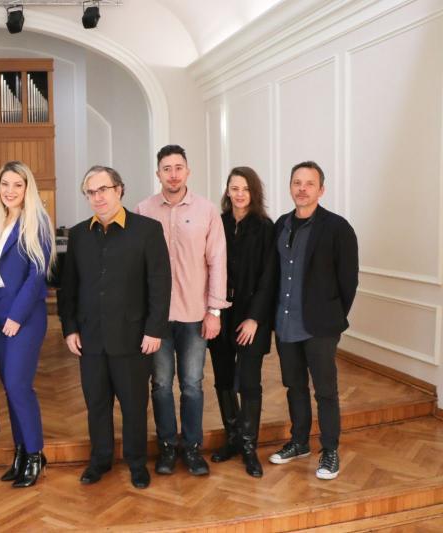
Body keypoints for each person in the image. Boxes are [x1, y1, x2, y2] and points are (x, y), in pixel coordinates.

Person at [58, 165, 170, 489]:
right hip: (90, 338)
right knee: (96, 404)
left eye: (103, 189)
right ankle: (100, 459)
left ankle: (136, 462)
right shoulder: (79, 235)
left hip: (133, 338)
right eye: (91, 192)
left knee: (134, 406)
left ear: (119, 189)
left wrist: (154, 329)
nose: (98, 197)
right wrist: (69, 328)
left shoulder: (147, 230)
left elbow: (160, 284)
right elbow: (69, 287)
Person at [136, 144, 229, 476]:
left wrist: (214, 311)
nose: (173, 174)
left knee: (192, 384)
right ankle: (166, 447)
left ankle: (191, 448)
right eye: (166, 169)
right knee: (161, 385)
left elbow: (217, 262)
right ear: (158, 173)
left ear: (187, 171)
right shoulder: (143, 210)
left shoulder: (207, 211)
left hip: (194, 316)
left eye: (178, 168)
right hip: (157, 319)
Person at [267, 161, 358, 480]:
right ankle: (299, 442)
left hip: (320, 327)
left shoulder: (338, 228)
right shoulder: (281, 224)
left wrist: (333, 316)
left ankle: (330, 450)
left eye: (309, 183)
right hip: (285, 323)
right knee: (294, 386)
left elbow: (349, 281)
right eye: (297, 182)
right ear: (290, 187)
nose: (302, 189)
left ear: (321, 189)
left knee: (325, 391)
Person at [0, 161, 55, 488]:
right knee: (10, 390)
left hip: (23, 318)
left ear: (27, 189)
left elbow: (36, 275)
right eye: (5, 184)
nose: (10, 191)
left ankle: (36, 454)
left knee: (18, 385)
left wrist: (16, 316)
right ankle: (21, 450)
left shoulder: (37, 221)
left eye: (17, 185)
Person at [207, 167, 277, 478]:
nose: (239, 194)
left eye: (245, 188)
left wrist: (254, 319)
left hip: (251, 315)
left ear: (254, 192)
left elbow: (269, 278)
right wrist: (211, 311)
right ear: (227, 191)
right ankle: (233, 438)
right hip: (221, 312)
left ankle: (249, 446)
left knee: (249, 381)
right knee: (222, 379)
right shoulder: (218, 223)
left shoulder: (265, 227)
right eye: (234, 188)